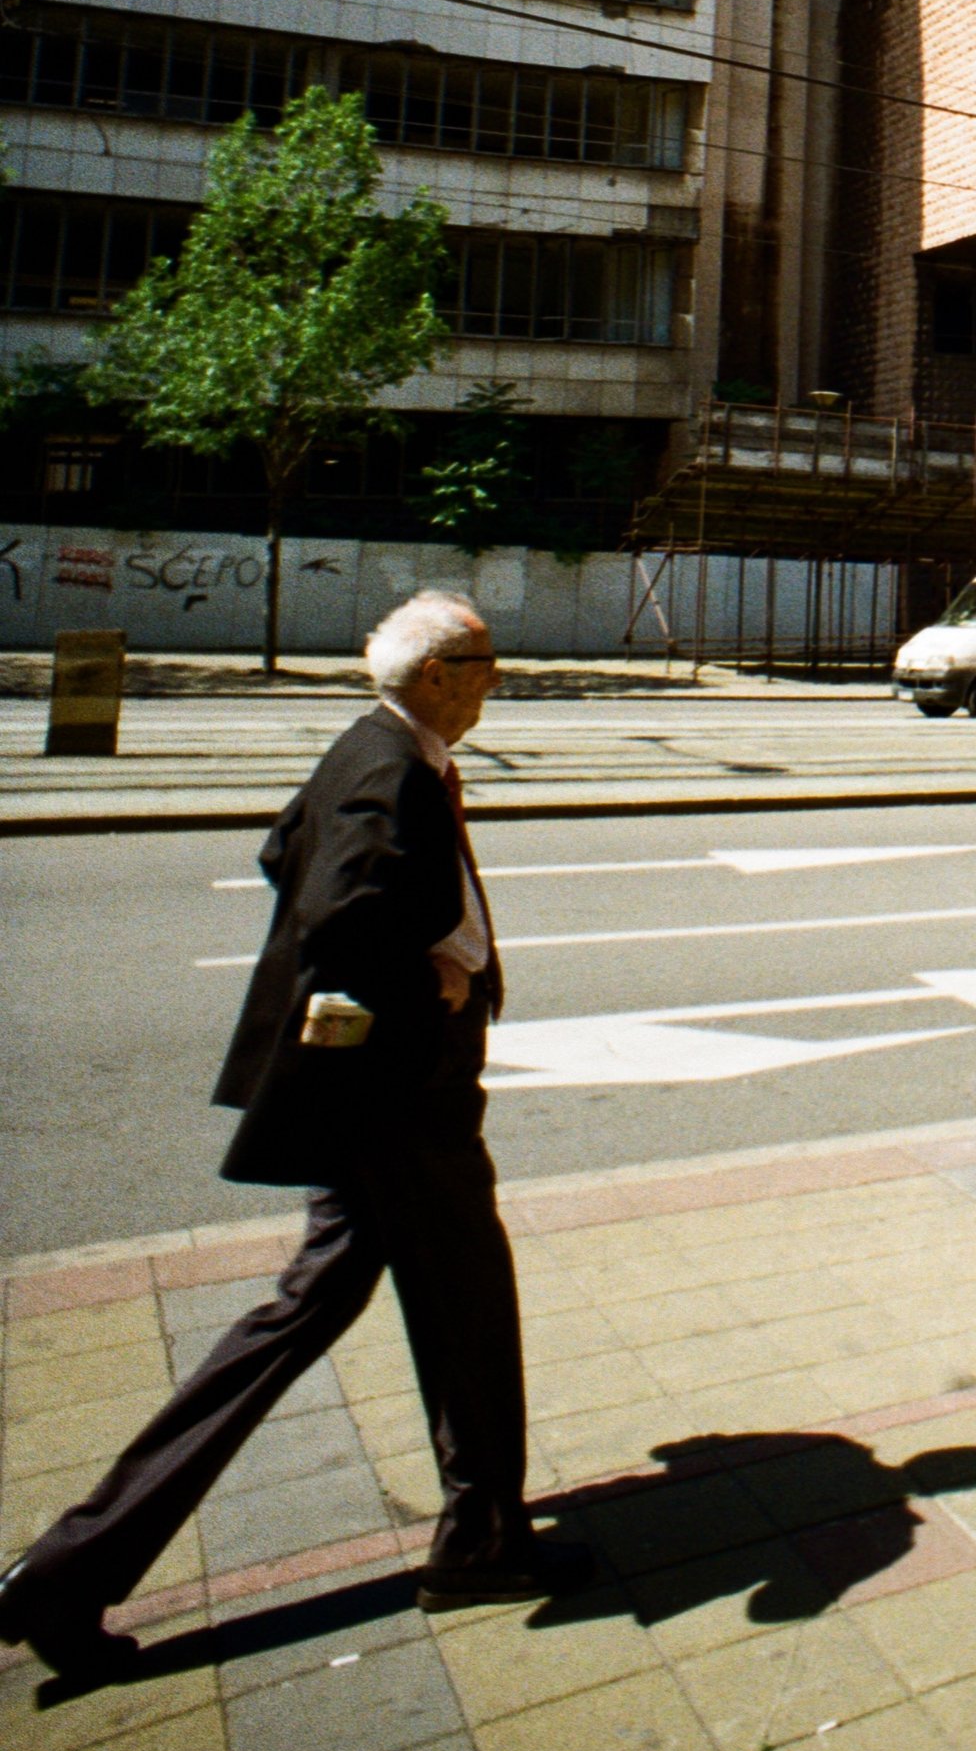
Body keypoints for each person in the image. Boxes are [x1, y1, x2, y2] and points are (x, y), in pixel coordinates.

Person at [0, 592, 585, 1683]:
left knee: (305, 1315)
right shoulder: (391, 767)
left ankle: (66, 1573)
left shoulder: (370, 746)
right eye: (487, 663)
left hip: (369, 1102)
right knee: (467, 1301)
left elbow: (283, 850)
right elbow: (338, 907)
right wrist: (435, 981)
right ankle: (480, 1539)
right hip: (405, 1101)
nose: (496, 681)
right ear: (440, 673)